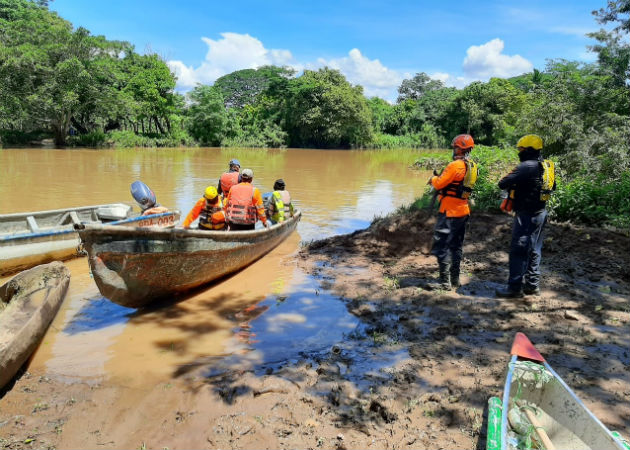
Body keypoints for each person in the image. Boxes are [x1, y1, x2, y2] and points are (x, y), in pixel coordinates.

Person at [496, 135, 556, 298]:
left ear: (528, 150)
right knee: (535, 249)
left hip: (526, 215)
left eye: (521, 149)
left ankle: (514, 288)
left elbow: (502, 183)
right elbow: (553, 186)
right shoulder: (548, 166)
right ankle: (532, 285)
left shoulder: (526, 166)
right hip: (541, 213)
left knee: (519, 249)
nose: (519, 152)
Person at [425, 134, 478, 290]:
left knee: (442, 246)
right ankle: (455, 280)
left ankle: (444, 283)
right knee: (456, 246)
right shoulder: (472, 165)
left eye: (455, 147)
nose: (453, 150)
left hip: (449, 212)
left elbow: (440, 184)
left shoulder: (455, 165)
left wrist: (432, 179)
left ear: (460, 148)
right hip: (463, 211)